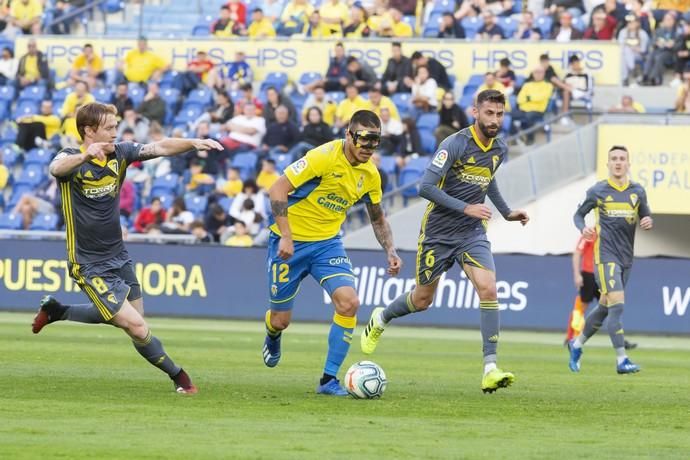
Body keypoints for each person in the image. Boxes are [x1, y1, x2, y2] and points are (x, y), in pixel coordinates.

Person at [31, 102, 223, 394]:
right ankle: (180, 378)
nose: (114, 132)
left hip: (118, 256)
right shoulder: (70, 158)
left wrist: (192, 143)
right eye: (109, 128)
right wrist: (85, 155)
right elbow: (55, 168)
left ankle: (58, 311)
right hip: (88, 262)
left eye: (115, 126)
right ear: (89, 130)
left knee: (129, 318)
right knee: (136, 327)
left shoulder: (120, 153)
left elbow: (158, 147)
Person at [360, 90, 529, 394]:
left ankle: (490, 368)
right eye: (489, 113)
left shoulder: (499, 149)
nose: (495, 120)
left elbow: (488, 180)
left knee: (489, 288)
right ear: (474, 112)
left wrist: (507, 212)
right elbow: (425, 186)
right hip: (438, 232)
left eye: (500, 114)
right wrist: (465, 206)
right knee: (423, 300)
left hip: (471, 232)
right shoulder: (454, 144)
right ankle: (381, 317)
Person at [263, 109, 402, 396]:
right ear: (348, 135)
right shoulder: (322, 157)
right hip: (290, 243)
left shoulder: (371, 174)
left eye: (374, 142)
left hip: (327, 244)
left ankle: (328, 380)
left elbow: (377, 217)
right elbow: (277, 189)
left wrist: (390, 249)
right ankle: (273, 333)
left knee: (349, 302)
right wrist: (286, 237)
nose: (367, 147)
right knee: (281, 320)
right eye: (363, 140)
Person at [569, 145, 653, 374]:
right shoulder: (598, 191)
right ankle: (621, 360)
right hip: (605, 256)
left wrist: (647, 221)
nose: (618, 162)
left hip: (627, 258)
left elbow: (645, 214)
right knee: (618, 306)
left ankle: (576, 345)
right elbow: (578, 215)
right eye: (614, 159)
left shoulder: (637, 191)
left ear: (628, 163)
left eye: (622, 159)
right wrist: (582, 228)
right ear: (608, 164)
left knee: (605, 307)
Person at [565, 235, 639, 349]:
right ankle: (571, 338)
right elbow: (577, 253)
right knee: (580, 308)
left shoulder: (609, 233)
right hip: (589, 275)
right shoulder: (590, 233)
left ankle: (620, 341)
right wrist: (577, 274)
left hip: (604, 274)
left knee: (613, 308)